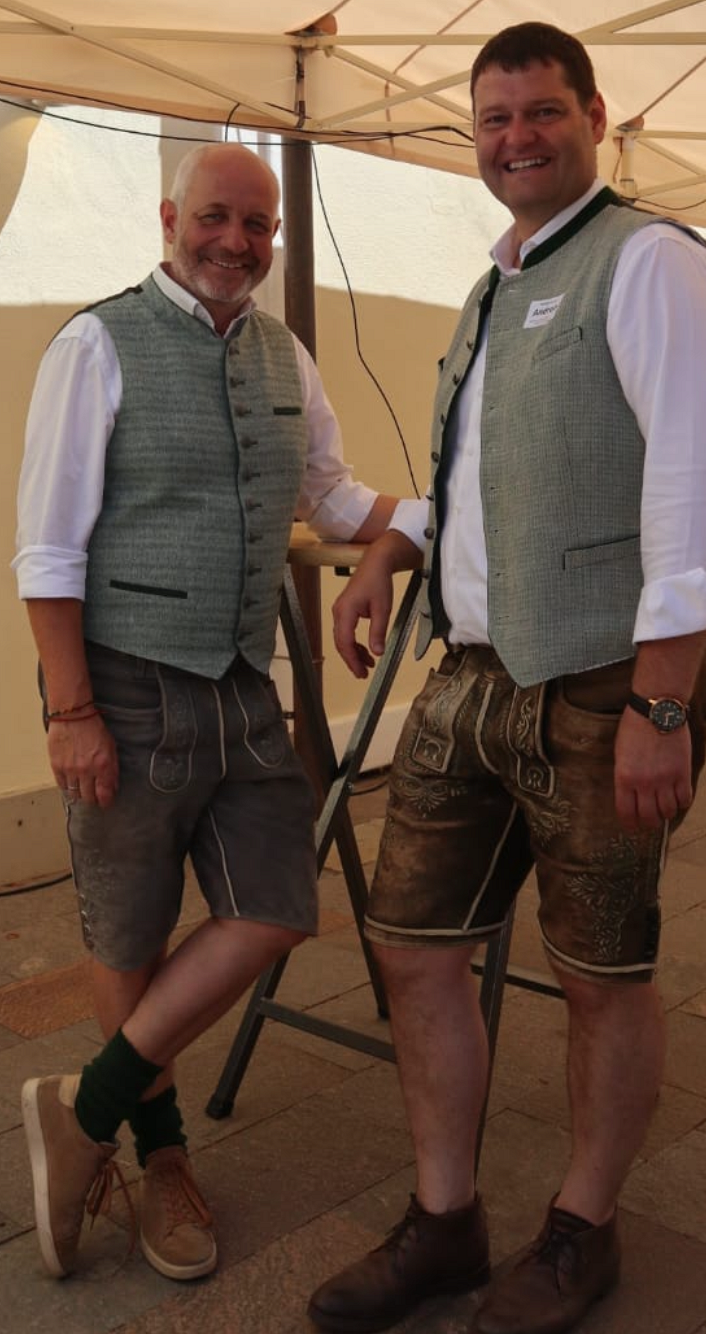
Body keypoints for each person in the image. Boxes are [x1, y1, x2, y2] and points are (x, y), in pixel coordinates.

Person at [307, 22, 706, 1334]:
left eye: (541, 111)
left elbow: (695, 492)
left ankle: (581, 1229)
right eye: (493, 119)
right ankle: (445, 1221)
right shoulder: (492, 286)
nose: (516, 139)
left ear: (593, 116)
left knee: (603, 971)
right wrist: (390, 550)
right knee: (409, 943)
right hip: (472, 673)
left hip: (605, 685)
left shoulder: (651, 261)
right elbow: (478, 485)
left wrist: (663, 700)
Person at [13, 141, 396, 1284]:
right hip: (123, 683)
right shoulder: (96, 343)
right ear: (169, 218)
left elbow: (333, 494)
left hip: (238, 681)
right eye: (217, 218)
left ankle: (83, 1109)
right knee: (129, 934)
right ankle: (162, 1153)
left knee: (277, 904)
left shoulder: (287, 354)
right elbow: (47, 549)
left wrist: (432, 522)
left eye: (259, 225)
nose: (239, 242)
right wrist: (71, 709)